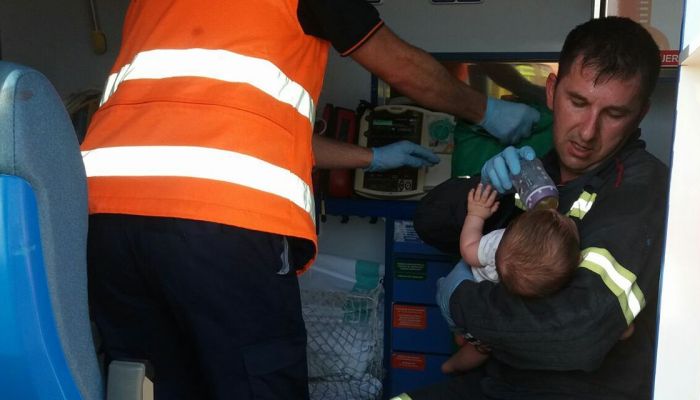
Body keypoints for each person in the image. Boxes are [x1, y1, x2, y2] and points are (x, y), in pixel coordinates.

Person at [79, 1, 540, 399]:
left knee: (153, 384)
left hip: (104, 217)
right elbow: (398, 65)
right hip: (220, 223)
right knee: (258, 382)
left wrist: (371, 156)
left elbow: (243, 127)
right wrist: (486, 110)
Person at [408, 16, 669, 399]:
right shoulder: (534, 172)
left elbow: (577, 334)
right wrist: (485, 182)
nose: (587, 131)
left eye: (614, 114)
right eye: (577, 102)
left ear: (639, 115)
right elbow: (430, 223)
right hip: (498, 384)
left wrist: (460, 301)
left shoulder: (638, 189)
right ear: (551, 92)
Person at [442, 183, 581, 374]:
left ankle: (458, 340)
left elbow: (468, 250)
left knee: (459, 325)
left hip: (458, 291)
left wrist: (476, 215)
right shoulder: (545, 291)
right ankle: (453, 366)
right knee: (481, 349)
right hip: (477, 311)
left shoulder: (499, 242)